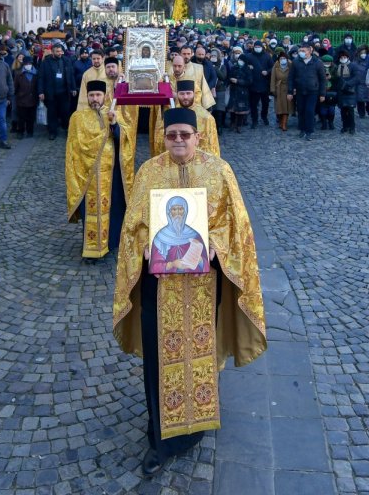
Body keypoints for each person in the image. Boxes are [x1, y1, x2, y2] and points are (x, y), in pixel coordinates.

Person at [114, 107, 266, 477]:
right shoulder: (149, 172)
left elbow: (237, 223)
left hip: (202, 283)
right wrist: (146, 245)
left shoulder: (219, 170)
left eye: (185, 134)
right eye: (171, 135)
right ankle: (159, 437)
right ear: (162, 137)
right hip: (158, 284)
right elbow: (132, 227)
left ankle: (195, 424)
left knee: (199, 349)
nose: (178, 141)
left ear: (198, 136)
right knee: (158, 355)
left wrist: (213, 242)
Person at [66, 80, 137, 258]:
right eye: (91, 95)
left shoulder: (113, 113)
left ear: (105, 96)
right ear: (87, 97)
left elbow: (127, 139)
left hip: (111, 174)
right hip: (87, 174)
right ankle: (91, 249)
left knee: (113, 209)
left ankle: (111, 243)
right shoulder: (78, 117)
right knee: (90, 210)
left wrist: (114, 126)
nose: (95, 99)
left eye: (98, 95)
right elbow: (75, 147)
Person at [150, 80, 220, 157]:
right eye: (182, 94)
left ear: (194, 94)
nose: (185, 97)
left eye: (188, 93)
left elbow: (212, 145)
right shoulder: (171, 114)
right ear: (177, 95)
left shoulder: (206, 117)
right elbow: (161, 138)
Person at [38, 42, 77, 141]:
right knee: (52, 113)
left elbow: (71, 75)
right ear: (52, 52)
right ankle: (52, 132)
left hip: (64, 92)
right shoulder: (45, 63)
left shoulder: (66, 61)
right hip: (51, 92)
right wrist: (41, 91)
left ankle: (66, 129)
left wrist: (73, 88)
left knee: (65, 112)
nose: (60, 53)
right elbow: (41, 78)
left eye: (61, 51)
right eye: (57, 51)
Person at [287, 43, 326, 140]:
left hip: (313, 91)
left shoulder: (317, 62)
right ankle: (302, 129)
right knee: (300, 110)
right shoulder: (296, 62)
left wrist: (322, 94)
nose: (301, 53)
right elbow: (291, 78)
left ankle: (309, 131)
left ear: (310, 51)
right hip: (300, 90)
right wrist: (290, 91)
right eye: (300, 51)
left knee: (309, 111)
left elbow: (322, 79)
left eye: (303, 51)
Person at [331, 50, 360, 134]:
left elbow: (357, 78)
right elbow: (336, 79)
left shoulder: (353, 66)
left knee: (350, 110)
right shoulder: (338, 67)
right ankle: (345, 126)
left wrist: (348, 84)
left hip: (350, 91)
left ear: (347, 58)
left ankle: (352, 127)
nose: (343, 59)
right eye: (341, 57)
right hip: (341, 92)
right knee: (343, 110)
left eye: (344, 57)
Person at [244, 40, 272, 128]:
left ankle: (264, 117)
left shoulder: (267, 56)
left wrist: (267, 72)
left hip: (264, 84)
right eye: (256, 47)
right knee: (253, 104)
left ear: (262, 47)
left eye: (259, 47)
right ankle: (254, 120)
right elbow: (243, 66)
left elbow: (273, 67)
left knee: (265, 103)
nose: (257, 49)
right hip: (253, 84)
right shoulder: (249, 56)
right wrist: (248, 67)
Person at [13, 54, 38, 138]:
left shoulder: (36, 73)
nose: (28, 65)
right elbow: (15, 87)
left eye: (29, 64)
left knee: (31, 117)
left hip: (33, 99)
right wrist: (16, 95)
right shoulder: (19, 74)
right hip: (21, 99)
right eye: (26, 64)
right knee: (21, 117)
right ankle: (20, 132)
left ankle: (30, 131)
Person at [226, 49, 251, 133]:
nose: (240, 61)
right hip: (233, 91)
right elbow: (229, 76)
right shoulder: (234, 67)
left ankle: (239, 125)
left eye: (242, 60)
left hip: (243, 92)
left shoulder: (247, 69)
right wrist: (230, 80)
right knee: (232, 110)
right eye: (239, 60)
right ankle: (232, 123)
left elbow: (249, 81)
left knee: (241, 111)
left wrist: (238, 81)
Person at [270, 52, 292, 132]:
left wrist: (292, 89)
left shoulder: (290, 65)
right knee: (279, 108)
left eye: (284, 59)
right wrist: (273, 89)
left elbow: (293, 77)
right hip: (278, 89)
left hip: (287, 88)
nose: (283, 60)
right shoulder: (276, 66)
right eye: (281, 59)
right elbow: (273, 78)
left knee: (286, 108)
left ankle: (284, 124)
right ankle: (280, 121)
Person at [352, 48, 369, 120]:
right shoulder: (355, 62)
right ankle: (361, 113)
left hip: (368, 83)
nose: (363, 54)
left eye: (365, 53)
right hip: (359, 83)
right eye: (362, 53)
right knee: (360, 99)